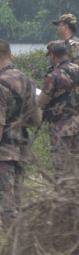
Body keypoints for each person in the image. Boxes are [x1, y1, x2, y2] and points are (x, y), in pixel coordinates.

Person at [0, 40, 41, 229]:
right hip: (21, 149)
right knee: (18, 202)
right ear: (12, 56)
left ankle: (13, 246)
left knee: (5, 204)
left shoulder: (0, 84)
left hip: (4, 151)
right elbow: (36, 120)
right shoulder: (27, 81)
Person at [38, 41, 79, 180]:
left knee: (61, 171)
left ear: (53, 56)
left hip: (60, 128)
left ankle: (64, 199)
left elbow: (42, 104)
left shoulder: (53, 76)